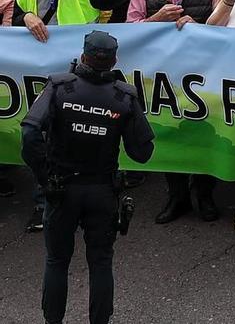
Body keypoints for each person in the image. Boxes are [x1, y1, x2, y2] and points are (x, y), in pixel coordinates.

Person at [22, 29, 154, 324]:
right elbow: (142, 152)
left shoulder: (59, 87)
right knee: (100, 263)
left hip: (61, 188)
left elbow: (30, 132)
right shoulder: (124, 96)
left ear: (83, 56)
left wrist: (44, 177)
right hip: (102, 191)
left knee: (57, 261)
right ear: (114, 60)